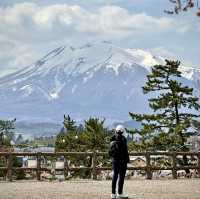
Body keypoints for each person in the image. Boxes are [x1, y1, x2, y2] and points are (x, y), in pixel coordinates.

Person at [109, 125, 130, 199]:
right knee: (121, 177)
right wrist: (128, 160)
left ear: (116, 131)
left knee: (115, 176)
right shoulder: (123, 139)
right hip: (122, 161)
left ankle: (113, 193)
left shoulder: (112, 139)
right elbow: (125, 152)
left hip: (115, 161)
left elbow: (110, 152)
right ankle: (120, 193)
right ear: (123, 131)